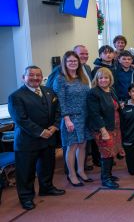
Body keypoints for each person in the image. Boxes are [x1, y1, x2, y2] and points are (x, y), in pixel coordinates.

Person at [8, 66, 65, 210]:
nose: (35, 78)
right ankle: (26, 197)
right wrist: (40, 132)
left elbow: (58, 111)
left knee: (47, 166)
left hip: (49, 137)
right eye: (31, 75)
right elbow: (21, 119)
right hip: (28, 140)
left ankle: (46, 188)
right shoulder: (16, 96)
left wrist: (55, 126)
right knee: (26, 171)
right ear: (24, 77)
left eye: (38, 75)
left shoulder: (48, 91)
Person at [53, 51, 93, 187]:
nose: (73, 63)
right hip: (71, 118)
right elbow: (60, 101)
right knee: (72, 146)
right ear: (65, 63)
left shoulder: (82, 77)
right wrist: (66, 119)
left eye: (75, 61)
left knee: (83, 145)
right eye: (70, 61)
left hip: (85, 117)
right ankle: (72, 174)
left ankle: (81, 171)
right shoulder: (61, 78)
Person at [87, 67, 125, 189]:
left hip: (115, 126)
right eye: (101, 78)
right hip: (102, 128)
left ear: (110, 79)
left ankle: (108, 174)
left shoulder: (111, 90)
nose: (103, 80)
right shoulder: (94, 92)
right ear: (97, 79)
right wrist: (103, 131)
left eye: (106, 77)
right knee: (106, 152)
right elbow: (94, 114)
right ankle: (106, 179)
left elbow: (114, 105)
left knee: (112, 151)